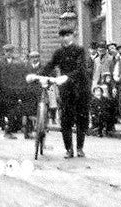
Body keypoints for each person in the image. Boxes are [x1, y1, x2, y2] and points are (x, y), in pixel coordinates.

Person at [40, 28, 92, 158]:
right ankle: (69, 149)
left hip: (81, 89)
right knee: (65, 121)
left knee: (81, 119)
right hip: (67, 90)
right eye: (62, 36)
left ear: (72, 37)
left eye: (67, 35)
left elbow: (81, 68)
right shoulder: (59, 52)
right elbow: (50, 65)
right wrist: (39, 76)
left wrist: (67, 77)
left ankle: (80, 148)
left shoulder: (79, 50)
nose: (65, 38)